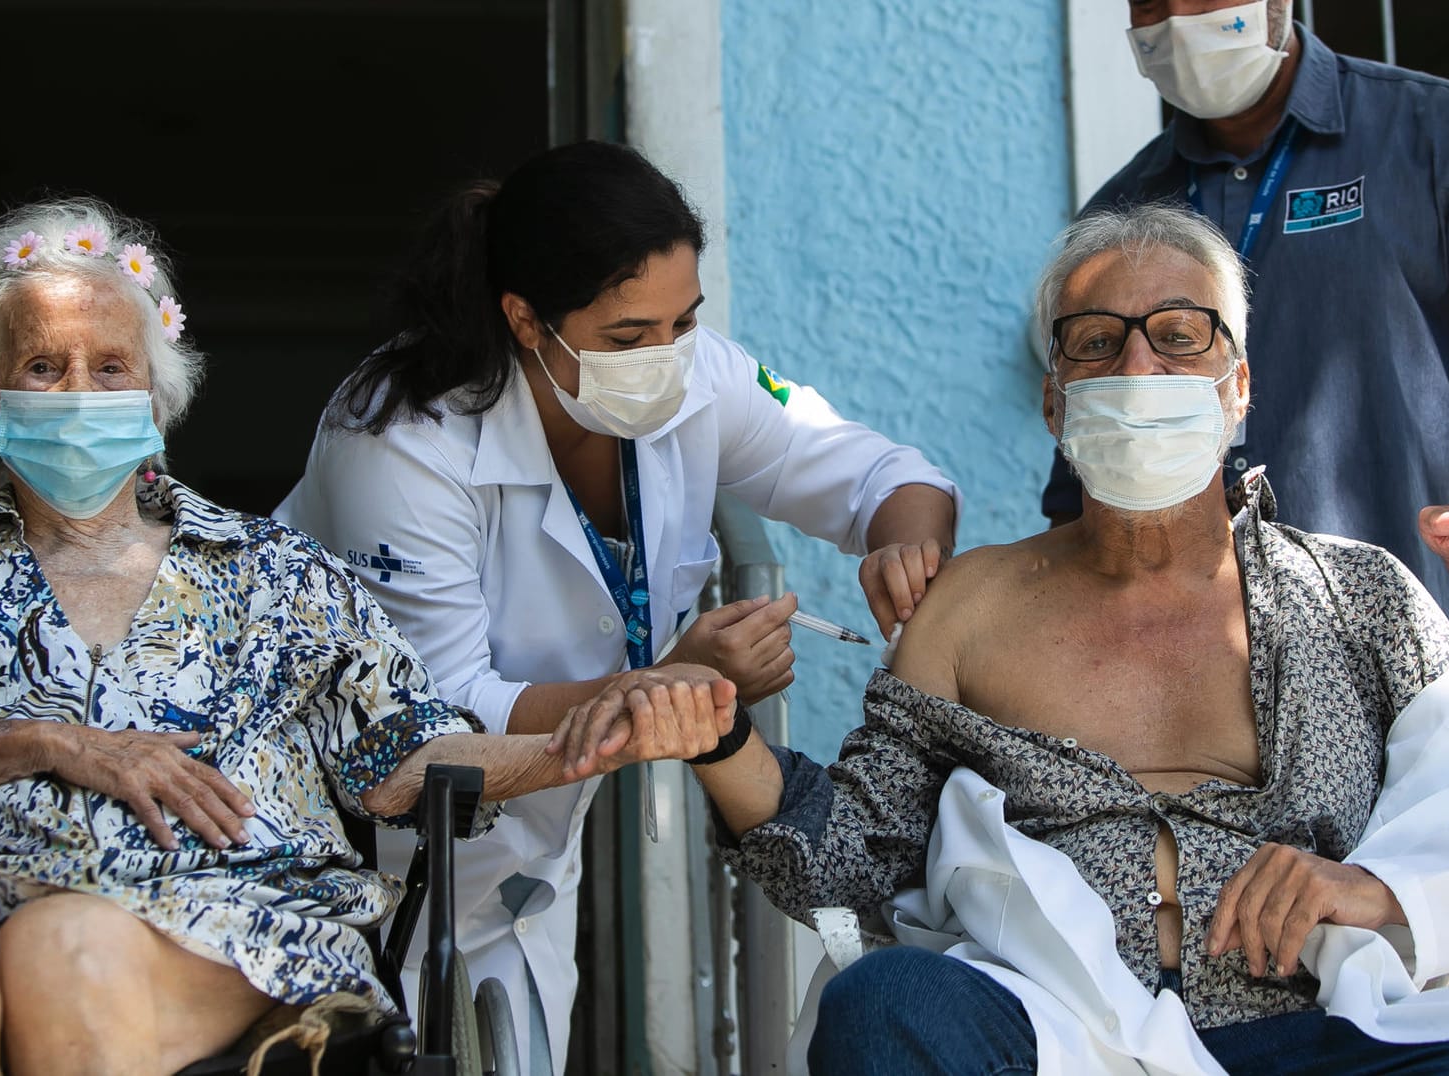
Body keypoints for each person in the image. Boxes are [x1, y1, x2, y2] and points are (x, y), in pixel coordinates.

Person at [0, 198, 739, 1076]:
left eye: (111, 367)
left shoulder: (269, 570)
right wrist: (48, 742)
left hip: (223, 928)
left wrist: (593, 734)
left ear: (157, 398)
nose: (82, 394)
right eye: (43, 368)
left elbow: (406, 755)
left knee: (65, 944)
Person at [682, 205, 1449, 1076]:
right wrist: (719, 732)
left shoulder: (1356, 594)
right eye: (1096, 342)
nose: (1137, 368)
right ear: (1055, 404)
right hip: (1051, 1028)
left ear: (1238, 386)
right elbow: (853, 855)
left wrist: (1373, 888)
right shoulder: (967, 609)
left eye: (1178, 336)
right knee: (883, 1006)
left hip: (1314, 1029)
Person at [275, 140, 959, 1075]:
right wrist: (669, 688)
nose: (669, 360)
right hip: (349, 863)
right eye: (628, 338)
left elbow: (880, 472)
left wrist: (902, 543)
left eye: (686, 321)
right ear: (525, 319)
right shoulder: (398, 439)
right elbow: (433, 719)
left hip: (523, 876)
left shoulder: (691, 373)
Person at [1044, 0, 1449, 781]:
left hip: (1448, 715)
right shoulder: (1126, 217)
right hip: (1229, 759)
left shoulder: (1446, 137)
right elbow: (1083, 494)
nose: (1179, 16)